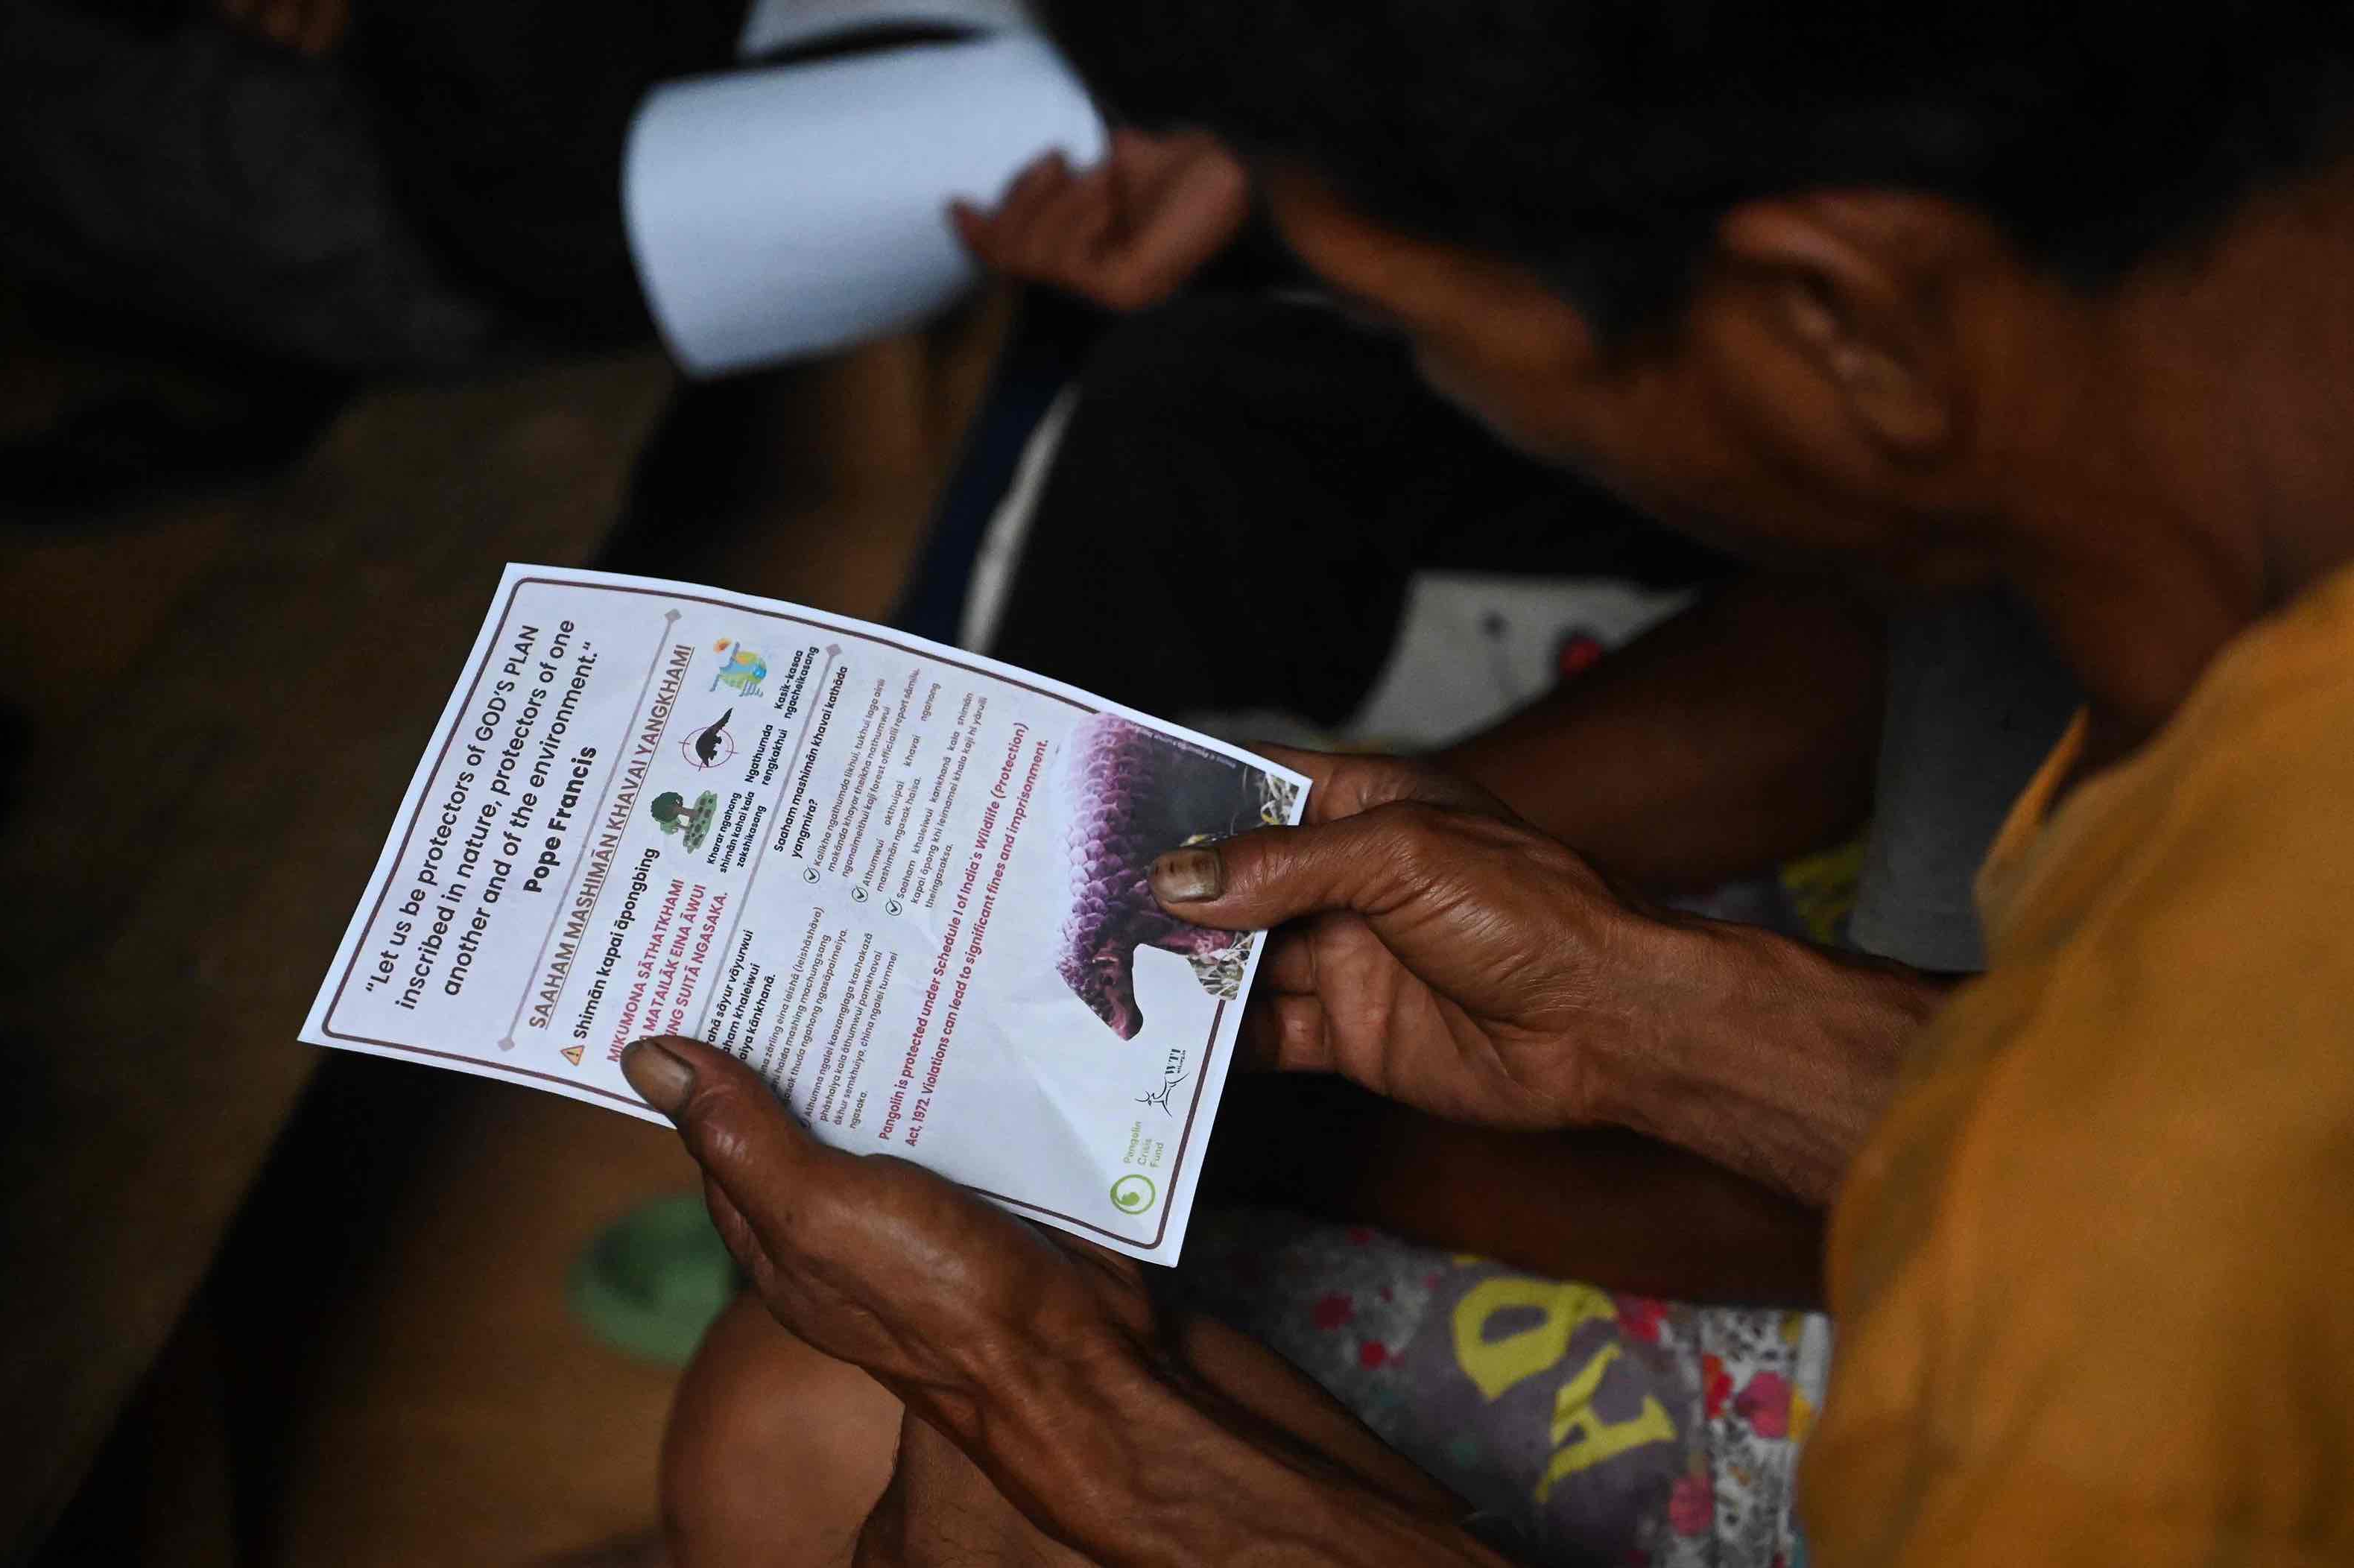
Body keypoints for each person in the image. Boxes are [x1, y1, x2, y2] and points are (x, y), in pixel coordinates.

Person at [624, 1, 2354, 1562]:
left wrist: (1085, 1423)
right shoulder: (2228, 746)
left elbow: (2170, 1213)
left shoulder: (2112, 1392)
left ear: (1837, 320)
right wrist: (1670, 1018)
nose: (1473, 406)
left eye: (1433, 339)